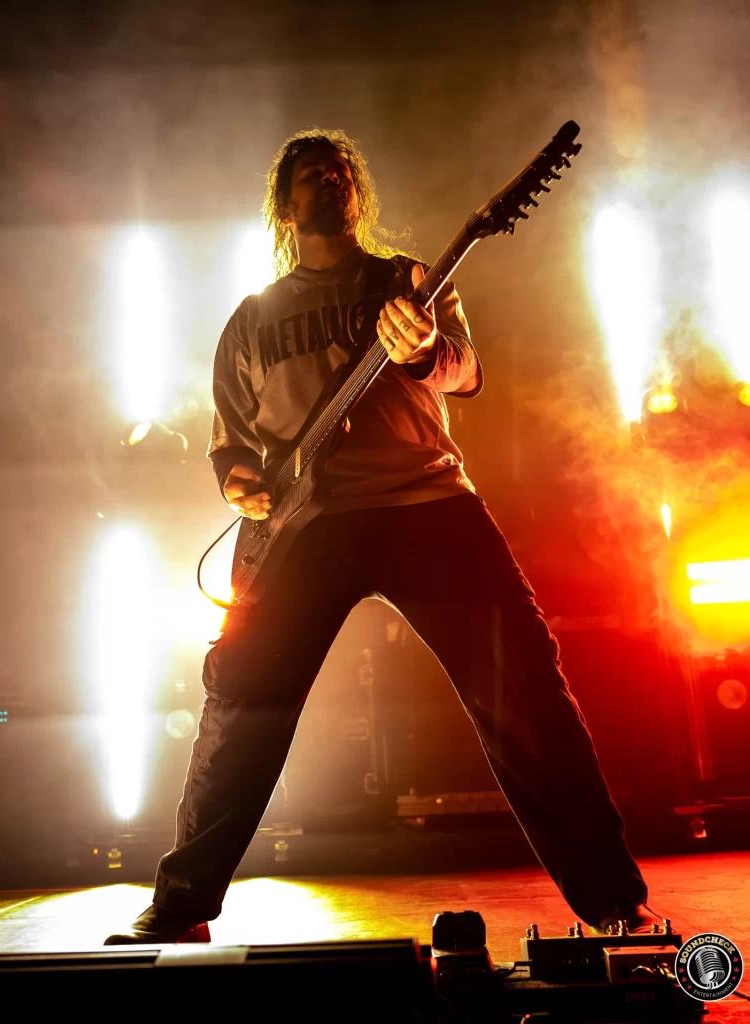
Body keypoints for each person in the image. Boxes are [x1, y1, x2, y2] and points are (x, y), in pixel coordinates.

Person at [106, 129, 654, 945]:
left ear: (356, 193)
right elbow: (231, 443)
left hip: (426, 504)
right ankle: (181, 906)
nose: (328, 181)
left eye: (339, 172)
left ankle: (613, 900)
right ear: (283, 203)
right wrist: (239, 483)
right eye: (308, 174)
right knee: (242, 697)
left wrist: (425, 350)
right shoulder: (251, 319)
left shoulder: (406, 281)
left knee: (523, 689)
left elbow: (466, 372)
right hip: (306, 527)